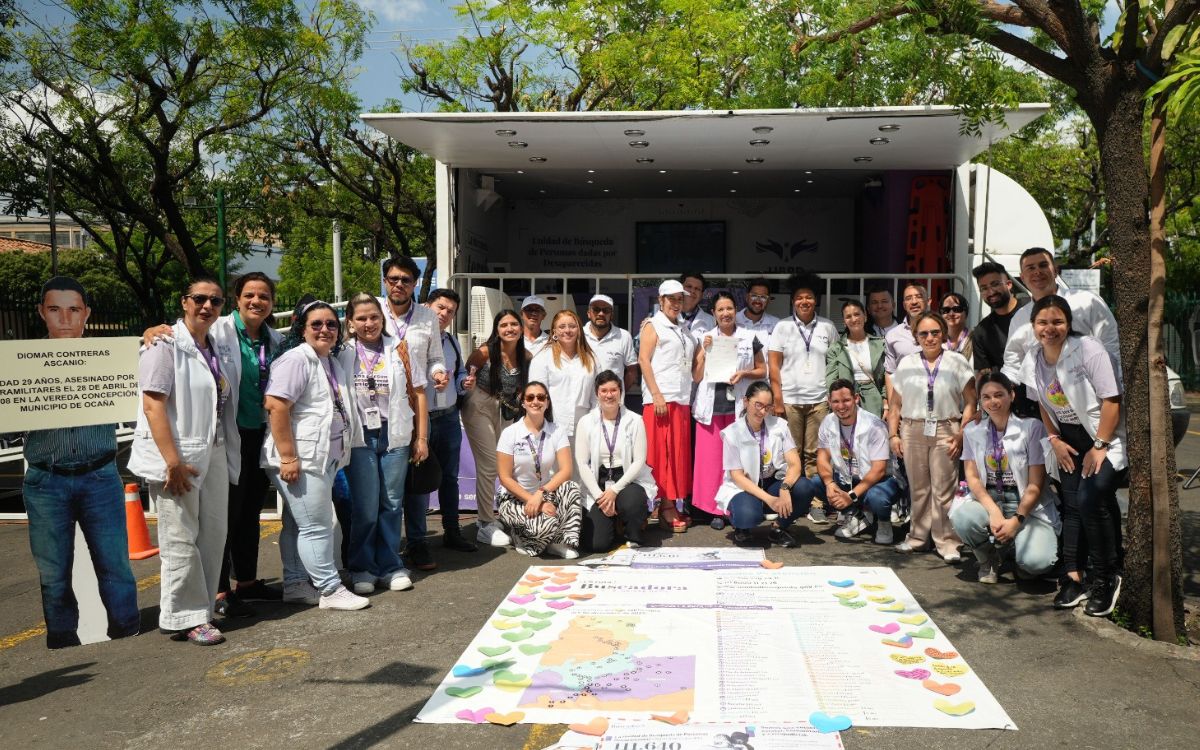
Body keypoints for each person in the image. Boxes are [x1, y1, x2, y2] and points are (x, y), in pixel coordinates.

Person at [142, 272, 285, 618]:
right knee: (207, 524)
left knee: (243, 515)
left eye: (264, 296)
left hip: (248, 438)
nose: (256, 301)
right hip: (210, 441)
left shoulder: (274, 339)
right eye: (249, 295)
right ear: (236, 300)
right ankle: (212, 596)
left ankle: (243, 584)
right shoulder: (212, 332)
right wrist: (150, 331)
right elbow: (153, 400)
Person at [22, 276, 139, 649]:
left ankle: (128, 634)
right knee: (53, 574)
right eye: (55, 309)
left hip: (100, 475)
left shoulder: (110, 359)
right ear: (42, 313)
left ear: (86, 313)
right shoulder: (21, 365)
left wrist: (151, 334)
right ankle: (62, 643)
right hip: (45, 481)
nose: (66, 319)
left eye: (74, 310)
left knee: (116, 566)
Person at [129, 275, 240, 645]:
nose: (207, 306)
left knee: (213, 534)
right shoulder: (163, 344)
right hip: (178, 454)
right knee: (179, 538)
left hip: (214, 449)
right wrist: (171, 462)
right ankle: (183, 616)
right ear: (184, 302)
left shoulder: (215, 343)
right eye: (199, 299)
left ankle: (203, 609)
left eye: (216, 301)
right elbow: (152, 404)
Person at [1020, 295, 1126, 616]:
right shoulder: (1034, 357)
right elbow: (1041, 402)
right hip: (1067, 439)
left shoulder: (1089, 349)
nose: (1049, 328)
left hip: (1100, 435)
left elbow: (1111, 400)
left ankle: (1108, 576)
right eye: (1043, 322)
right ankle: (1074, 576)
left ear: (1068, 324)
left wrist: (1100, 445)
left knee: (1091, 498)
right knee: (1072, 504)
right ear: (1033, 325)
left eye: (1057, 322)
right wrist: (1053, 437)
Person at [262, 299, 369, 612]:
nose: (325, 329)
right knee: (316, 526)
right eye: (316, 324)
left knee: (298, 524)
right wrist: (287, 457)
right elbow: (276, 406)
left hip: (323, 456)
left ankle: (296, 584)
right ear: (302, 329)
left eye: (331, 324)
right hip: (303, 458)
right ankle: (330, 588)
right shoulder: (297, 360)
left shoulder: (328, 360)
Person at [338, 293, 427, 595]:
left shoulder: (399, 348)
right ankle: (362, 567)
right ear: (350, 322)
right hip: (360, 437)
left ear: (382, 319)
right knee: (364, 506)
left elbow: (419, 392)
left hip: (395, 434)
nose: (368, 323)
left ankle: (390, 565)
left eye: (374, 317)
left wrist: (421, 437)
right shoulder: (342, 352)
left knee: (391, 503)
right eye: (361, 318)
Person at [952, 372, 1060, 583]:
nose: (993, 401)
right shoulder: (973, 430)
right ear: (980, 401)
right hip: (990, 498)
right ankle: (988, 559)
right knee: (963, 518)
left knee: (1036, 563)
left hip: (1025, 504)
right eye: (986, 397)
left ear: (1011, 395)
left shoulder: (1031, 428)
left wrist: (1017, 521)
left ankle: (1016, 555)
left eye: (999, 395)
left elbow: (1035, 484)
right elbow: (972, 477)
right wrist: (993, 512)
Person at [886, 312, 977, 562]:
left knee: (944, 488)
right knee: (918, 487)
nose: (930, 338)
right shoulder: (906, 364)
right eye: (923, 333)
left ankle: (947, 542)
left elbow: (971, 401)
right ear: (916, 336)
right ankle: (917, 537)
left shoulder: (957, 361)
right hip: (912, 429)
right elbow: (895, 406)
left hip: (947, 428)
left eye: (935, 332)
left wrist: (961, 433)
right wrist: (893, 435)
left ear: (943, 334)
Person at [376, 256, 447, 571]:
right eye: (393, 279)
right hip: (376, 411)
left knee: (416, 483)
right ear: (385, 281)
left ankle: (418, 544)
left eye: (406, 279)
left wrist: (439, 373)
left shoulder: (427, 316)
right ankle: (383, 548)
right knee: (383, 487)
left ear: (416, 283)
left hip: (417, 409)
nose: (399, 285)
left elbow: (435, 357)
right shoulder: (372, 310)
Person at [691, 292, 766, 528]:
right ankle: (714, 510)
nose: (725, 313)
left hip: (737, 407)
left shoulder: (748, 336)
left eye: (729, 309)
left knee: (736, 460)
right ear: (713, 313)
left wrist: (744, 373)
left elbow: (762, 370)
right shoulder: (706, 337)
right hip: (711, 408)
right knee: (711, 462)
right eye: (720, 309)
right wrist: (704, 350)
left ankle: (734, 506)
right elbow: (696, 375)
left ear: (736, 311)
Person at [768, 271, 837, 521]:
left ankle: (816, 501)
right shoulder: (782, 326)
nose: (804, 301)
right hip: (790, 400)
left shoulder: (828, 327)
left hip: (819, 400)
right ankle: (795, 498)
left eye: (808, 297)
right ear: (793, 301)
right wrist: (777, 399)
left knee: (816, 452)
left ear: (816, 300)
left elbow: (834, 362)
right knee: (792, 453)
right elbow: (773, 366)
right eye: (799, 298)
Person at [800, 379, 903, 545]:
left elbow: (879, 469)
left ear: (856, 398)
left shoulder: (873, 425)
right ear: (829, 402)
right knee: (817, 483)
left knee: (877, 498)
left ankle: (883, 521)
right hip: (848, 478)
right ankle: (857, 515)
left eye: (846, 400)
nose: (841, 406)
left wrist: (851, 496)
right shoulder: (828, 422)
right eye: (836, 401)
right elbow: (822, 457)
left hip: (879, 480)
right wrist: (829, 484)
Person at [414, 288, 476, 552]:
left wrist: (463, 382)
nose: (444, 314)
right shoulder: (412, 339)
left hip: (449, 417)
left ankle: (452, 532)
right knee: (417, 481)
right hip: (421, 420)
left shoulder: (451, 341)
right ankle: (417, 541)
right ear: (427, 306)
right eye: (440, 307)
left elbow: (460, 370)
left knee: (450, 478)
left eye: (450, 311)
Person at [1001, 247, 1120, 383]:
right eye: (1030, 268)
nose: (1037, 271)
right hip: (1045, 400)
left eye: (1043, 265)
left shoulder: (1087, 302)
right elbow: (1012, 364)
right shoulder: (1020, 319)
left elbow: (1111, 346)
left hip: (1095, 395)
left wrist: (1113, 391)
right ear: (1022, 277)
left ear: (1055, 271)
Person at [462, 309, 528, 547]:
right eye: (504, 325)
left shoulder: (526, 356)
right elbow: (464, 376)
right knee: (489, 464)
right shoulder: (483, 352)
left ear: (521, 329)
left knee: (505, 465)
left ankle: (502, 515)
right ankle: (485, 523)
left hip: (505, 410)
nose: (509, 329)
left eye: (513, 324)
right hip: (478, 405)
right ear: (497, 330)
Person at [495, 381, 584, 557]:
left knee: (572, 488)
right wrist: (534, 500)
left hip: (543, 493)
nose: (536, 401)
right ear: (523, 402)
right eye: (530, 397)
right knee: (547, 524)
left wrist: (541, 495)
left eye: (541, 397)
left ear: (547, 402)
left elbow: (566, 470)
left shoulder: (557, 431)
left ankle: (557, 543)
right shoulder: (510, 433)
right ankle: (520, 536)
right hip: (514, 498)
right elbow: (505, 478)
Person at [638, 279, 699, 532]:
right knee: (660, 455)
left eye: (679, 298)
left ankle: (671, 502)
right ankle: (663, 506)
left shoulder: (685, 329)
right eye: (671, 298)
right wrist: (656, 394)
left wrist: (704, 352)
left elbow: (695, 372)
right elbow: (643, 359)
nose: (676, 303)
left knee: (676, 455)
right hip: (660, 401)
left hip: (681, 400)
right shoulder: (653, 325)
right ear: (661, 301)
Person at [714, 381, 806, 548]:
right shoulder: (732, 433)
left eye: (767, 407)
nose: (762, 411)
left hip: (772, 480)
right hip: (746, 486)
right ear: (746, 401)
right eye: (758, 405)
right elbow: (737, 477)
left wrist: (785, 488)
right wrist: (770, 500)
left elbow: (795, 464)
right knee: (748, 516)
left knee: (805, 487)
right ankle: (742, 527)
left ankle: (778, 528)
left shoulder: (779, 426)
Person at [574, 372, 656, 551]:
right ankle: (614, 523)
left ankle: (631, 531)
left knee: (632, 503)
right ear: (597, 393)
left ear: (621, 392)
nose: (609, 395)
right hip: (600, 480)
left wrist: (615, 490)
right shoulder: (586, 422)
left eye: (613, 390)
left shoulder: (635, 420)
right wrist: (599, 497)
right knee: (596, 544)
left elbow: (639, 460)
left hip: (627, 478)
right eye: (604, 390)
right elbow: (582, 463)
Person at [528, 309, 598, 442]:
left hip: (584, 429)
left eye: (572, 326)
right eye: (562, 326)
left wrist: (595, 424)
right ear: (554, 331)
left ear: (579, 330)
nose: (567, 330)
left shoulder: (591, 359)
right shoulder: (542, 358)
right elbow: (536, 396)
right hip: (551, 429)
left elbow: (596, 397)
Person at [825, 299, 887, 418]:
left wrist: (886, 403)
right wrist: (838, 403)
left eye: (857, 314)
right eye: (848, 316)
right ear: (844, 322)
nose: (853, 319)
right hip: (846, 399)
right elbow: (831, 380)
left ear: (865, 316)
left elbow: (886, 377)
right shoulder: (836, 348)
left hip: (874, 399)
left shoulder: (880, 344)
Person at [969, 261, 1023, 376]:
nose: (991, 292)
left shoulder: (1032, 311)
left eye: (995, 284)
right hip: (1010, 391)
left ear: (1009, 284)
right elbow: (984, 375)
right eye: (983, 288)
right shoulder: (981, 331)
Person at [583, 293, 638, 393]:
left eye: (606, 310)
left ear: (611, 315)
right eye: (596, 309)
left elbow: (632, 370)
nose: (601, 313)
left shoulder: (624, 336)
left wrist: (620, 393)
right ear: (589, 313)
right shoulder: (579, 335)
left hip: (612, 401)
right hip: (584, 402)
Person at [884, 283, 929, 374]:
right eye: (908, 298)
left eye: (919, 297)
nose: (914, 302)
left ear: (928, 301)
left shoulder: (941, 330)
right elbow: (890, 373)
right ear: (904, 305)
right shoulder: (893, 335)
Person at [735, 278, 779, 347]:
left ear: (768, 300)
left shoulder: (776, 325)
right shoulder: (733, 321)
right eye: (754, 296)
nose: (758, 301)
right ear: (747, 297)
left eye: (763, 297)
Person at [939, 291, 973, 360]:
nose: (951, 314)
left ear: (965, 312)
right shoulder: (937, 340)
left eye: (957, 309)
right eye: (946, 310)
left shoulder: (975, 339)